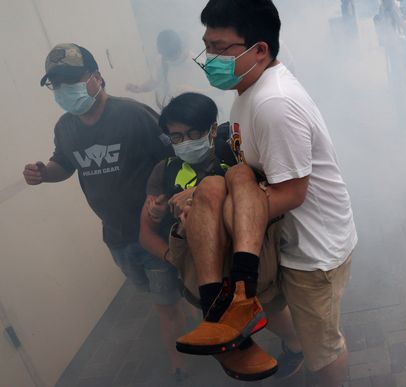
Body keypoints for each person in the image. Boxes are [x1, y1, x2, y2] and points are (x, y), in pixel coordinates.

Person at [175, 0, 358, 385]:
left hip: (312, 250)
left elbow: (292, 193)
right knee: (211, 187)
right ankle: (225, 314)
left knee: (322, 351)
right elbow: (255, 173)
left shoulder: (274, 103)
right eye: (207, 46)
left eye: (221, 48)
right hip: (278, 240)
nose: (210, 58)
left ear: (259, 49)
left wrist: (224, 221)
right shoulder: (247, 91)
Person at [23, 44, 189, 380]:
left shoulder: (133, 115)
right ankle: (183, 307)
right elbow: (64, 164)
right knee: (157, 295)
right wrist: (45, 172)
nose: (64, 89)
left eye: (72, 79)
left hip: (153, 233)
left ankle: (179, 368)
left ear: (97, 77)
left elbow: (174, 158)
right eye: (56, 84)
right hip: (115, 238)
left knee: (164, 305)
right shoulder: (66, 128)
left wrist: (164, 196)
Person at [139, 92, 281, 380]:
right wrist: (168, 247)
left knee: (229, 179)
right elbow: (145, 231)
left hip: (247, 253)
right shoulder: (165, 171)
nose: (185, 142)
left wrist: (199, 192)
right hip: (201, 262)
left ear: (213, 130)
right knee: (214, 185)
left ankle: (245, 306)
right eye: (176, 137)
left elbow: (272, 189)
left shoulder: (237, 153)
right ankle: (217, 315)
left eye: (192, 134)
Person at [126, 30, 234, 122]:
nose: (171, 60)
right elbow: (155, 81)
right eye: (167, 56)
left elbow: (222, 88)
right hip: (174, 116)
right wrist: (140, 88)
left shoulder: (198, 63)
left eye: (173, 56)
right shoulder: (162, 60)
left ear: (181, 47)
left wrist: (195, 91)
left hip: (197, 114)